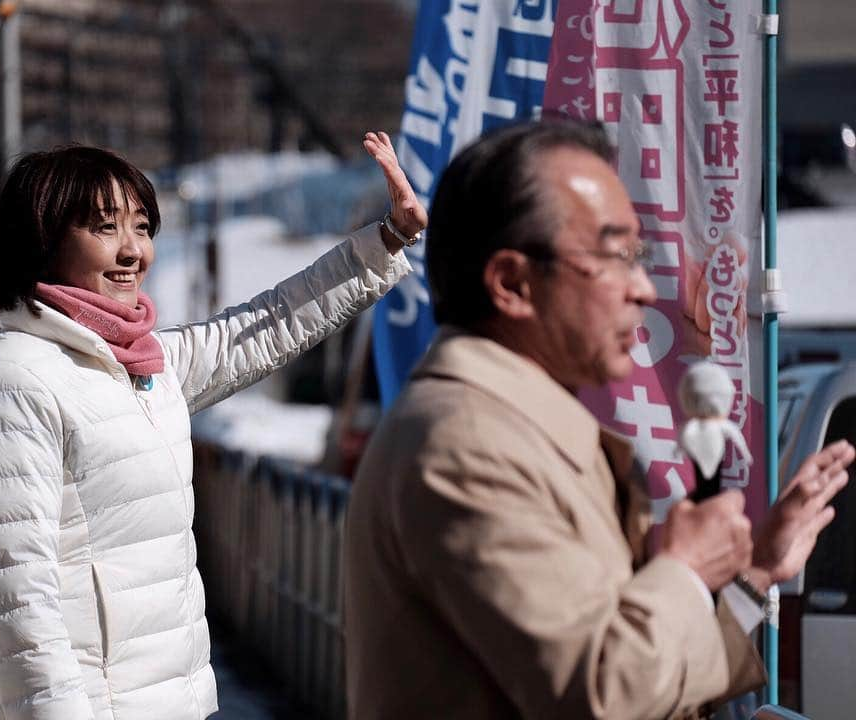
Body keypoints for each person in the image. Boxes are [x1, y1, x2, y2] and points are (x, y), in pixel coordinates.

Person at [342, 120, 853, 720]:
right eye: (615, 256)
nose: (642, 288)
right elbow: (600, 694)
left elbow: (628, 666)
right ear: (512, 283)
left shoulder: (508, 426)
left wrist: (756, 571)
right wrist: (685, 571)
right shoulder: (465, 444)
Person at [0, 131, 425, 720]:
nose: (133, 252)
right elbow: (15, 599)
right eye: (103, 227)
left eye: (141, 227)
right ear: (42, 240)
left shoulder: (143, 365)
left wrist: (388, 239)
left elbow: (266, 325)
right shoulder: (11, 379)